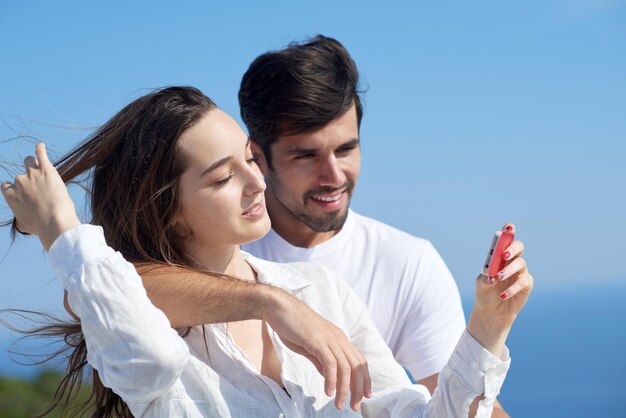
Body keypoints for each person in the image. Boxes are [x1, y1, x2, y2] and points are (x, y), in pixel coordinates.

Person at [1, 87, 533, 417]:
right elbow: (144, 350)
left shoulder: (321, 291)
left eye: (250, 160)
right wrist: (61, 230)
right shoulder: (146, 326)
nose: (256, 183)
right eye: (221, 177)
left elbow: (407, 414)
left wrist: (488, 326)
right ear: (170, 210)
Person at [135, 35, 510, 415]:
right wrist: (273, 303)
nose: (334, 175)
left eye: (346, 149)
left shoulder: (405, 263)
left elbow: (444, 407)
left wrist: (490, 326)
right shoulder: (221, 236)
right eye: (306, 155)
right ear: (261, 158)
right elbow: (112, 291)